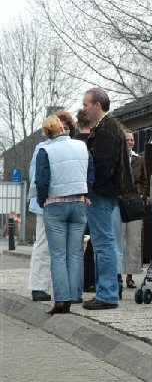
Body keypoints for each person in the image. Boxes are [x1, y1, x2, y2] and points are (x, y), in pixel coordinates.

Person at [35, 114, 94, 315]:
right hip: (79, 203)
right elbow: (90, 175)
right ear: (62, 129)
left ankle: (61, 300)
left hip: (55, 204)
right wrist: (85, 194)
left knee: (58, 255)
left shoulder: (45, 150)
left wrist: (43, 200)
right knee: (76, 253)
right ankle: (75, 294)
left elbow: (42, 180)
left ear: (47, 133)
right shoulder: (82, 146)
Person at [82, 87, 129, 311]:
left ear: (97, 105)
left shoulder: (106, 130)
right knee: (103, 243)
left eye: (86, 104)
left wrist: (89, 186)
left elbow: (103, 164)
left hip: (101, 193)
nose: (84, 108)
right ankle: (106, 291)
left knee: (103, 243)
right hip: (104, 192)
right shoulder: (108, 127)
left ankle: (108, 294)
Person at [28, 111, 77, 302]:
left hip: (67, 203)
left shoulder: (73, 147)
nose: (63, 129)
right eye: (60, 126)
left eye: (66, 126)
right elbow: (36, 177)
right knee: (44, 243)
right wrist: (42, 200)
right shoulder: (43, 148)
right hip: (47, 202)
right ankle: (38, 286)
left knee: (65, 248)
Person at [112, 130, 147, 291]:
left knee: (133, 240)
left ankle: (130, 275)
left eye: (132, 140)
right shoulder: (115, 159)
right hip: (118, 201)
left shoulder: (139, 159)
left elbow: (144, 180)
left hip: (133, 202)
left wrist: (139, 194)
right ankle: (118, 274)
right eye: (127, 140)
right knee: (118, 238)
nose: (130, 142)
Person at [74, 108, 96, 293]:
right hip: (94, 196)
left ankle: (78, 282)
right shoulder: (97, 142)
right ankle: (92, 280)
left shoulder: (72, 143)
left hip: (74, 196)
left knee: (77, 242)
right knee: (96, 241)